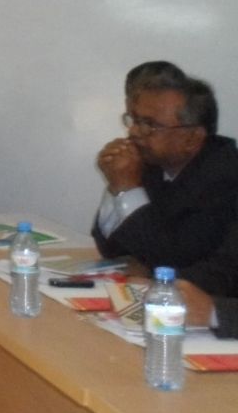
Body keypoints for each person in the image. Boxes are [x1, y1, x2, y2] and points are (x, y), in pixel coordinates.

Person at [93, 71, 238, 271]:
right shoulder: (152, 164)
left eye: (150, 125)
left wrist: (127, 188)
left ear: (192, 138)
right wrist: (116, 187)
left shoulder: (225, 179)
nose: (134, 132)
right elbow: (112, 249)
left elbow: (169, 261)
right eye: (134, 120)